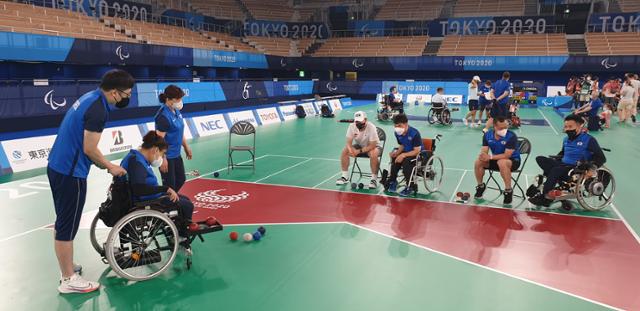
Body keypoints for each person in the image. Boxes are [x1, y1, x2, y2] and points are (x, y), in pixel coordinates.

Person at [47, 69, 134, 293]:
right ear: (114, 92)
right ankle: (68, 279)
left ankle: (67, 266)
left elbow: (84, 145)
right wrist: (111, 166)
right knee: (67, 225)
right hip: (70, 173)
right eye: (126, 94)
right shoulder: (98, 110)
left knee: (62, 220)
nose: (127, 98)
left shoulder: (90, 97)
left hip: (57, 165)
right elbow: (89, 149)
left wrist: (101, 164)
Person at [529, 114, 606, 207]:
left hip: (576, 168)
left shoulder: (589, 139)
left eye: (570, 126)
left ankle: (545, 197)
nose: (567, 129)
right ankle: (544, 186)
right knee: (540, 159)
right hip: (563, 164)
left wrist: (592, 168)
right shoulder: (566, 139)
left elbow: (601, 157)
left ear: (578, 126)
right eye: (566, 126)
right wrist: (553, 159)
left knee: (555, 170)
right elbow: (562, 154)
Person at [120, 131, 193, 226]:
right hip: (147, 202)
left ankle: (175, 229)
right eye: (162, 154)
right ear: (155, 150)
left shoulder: (135, 157)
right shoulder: (137, 163)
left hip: (147, 197)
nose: (161, 158)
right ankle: (181, 234)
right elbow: (139, 189)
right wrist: (165, 189)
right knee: (187, 205)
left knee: (185, 199)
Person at [473, 116, 521, 205]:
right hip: (496, 159)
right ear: (494, 126)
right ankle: (480, 186)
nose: (504, 130)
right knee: (478, 162)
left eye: (506, 127)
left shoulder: (511, 136)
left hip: (512, 161)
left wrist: (490, 157)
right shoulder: (487, 135)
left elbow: (507, 155)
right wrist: (483, 156)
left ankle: (508, 191)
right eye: (501, 128)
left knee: (502, 162)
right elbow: (484, 150)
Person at [155, 85, 193, 192]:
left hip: (176, 154)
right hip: (167, 156)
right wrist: (163, 159)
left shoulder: (176, 111)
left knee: (181, 179)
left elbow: (179, 132)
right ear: (169, 99)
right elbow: (159, 140)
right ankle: (167, 205)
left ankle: (172, 201)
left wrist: (186, 147)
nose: (180, 101)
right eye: (178, 99)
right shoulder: (163, 116)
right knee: (169, 186)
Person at [336, 111, 381, 189]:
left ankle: (373, 179)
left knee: (373, 153)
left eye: (360, 121)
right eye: (356, 121)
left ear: (365, 119)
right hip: (360, 145)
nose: (358, 123)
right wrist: (350, 150)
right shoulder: (352, 126)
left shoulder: (371, 127)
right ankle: (345, 177)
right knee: (345, 151)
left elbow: (372, 145)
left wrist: (358, 151)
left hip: (373, 146)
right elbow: (348, 142)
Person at [384, 114, 425, 196]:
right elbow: (402, 145)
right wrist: (396, 153)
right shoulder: (397, 133)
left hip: (417, 154)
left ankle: (410, 186)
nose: (397, 128)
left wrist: (403, 155)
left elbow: (417, 150)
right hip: (407, 152)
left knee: (406, 162)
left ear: (406, 124)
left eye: (399, 125)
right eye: (395, 126)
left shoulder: (414, 133)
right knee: (394, 159)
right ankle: (393, 181)